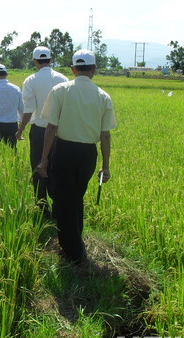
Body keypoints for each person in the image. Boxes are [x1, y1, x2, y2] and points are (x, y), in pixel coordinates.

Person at [38, 49, 118, 264]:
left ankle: (72, 252)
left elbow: (51, 127)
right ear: (93, 70)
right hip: (87, 155)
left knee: (64, 201)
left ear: (73, 69)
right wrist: (106, 166)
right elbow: (105, 135)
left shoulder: (60, 91)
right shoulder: (103, 96)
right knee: (75, 197)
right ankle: (74, 241)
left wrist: (44, 159)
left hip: (63, 150)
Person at [16, 46, 68, 216]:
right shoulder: (63, 79)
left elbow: (28, 109)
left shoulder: (31, 80)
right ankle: (59, 205)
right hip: (61, 131)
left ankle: (42, 207)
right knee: (57, 167)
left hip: (39, 131)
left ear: (34, 61)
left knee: (39, 166)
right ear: (51, 60)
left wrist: (20, 130)